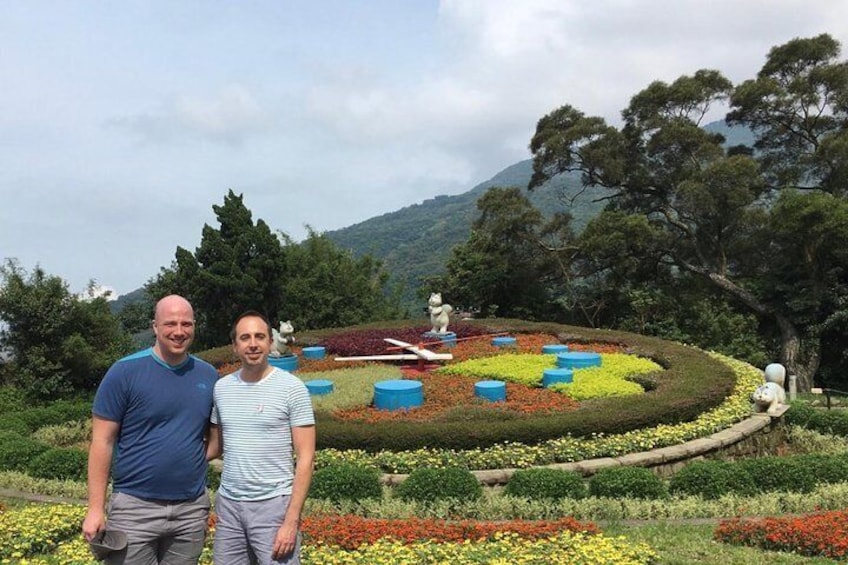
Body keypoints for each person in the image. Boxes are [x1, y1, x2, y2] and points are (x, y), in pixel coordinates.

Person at [82, 295, 219, 564]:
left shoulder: (208, 375)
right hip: (134, 508)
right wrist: (95, 509)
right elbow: (102, 441)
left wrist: (187, 460)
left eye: (186, 324)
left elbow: (217, 438)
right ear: (154, 326)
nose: (179, 332)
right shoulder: (124, 372)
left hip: (190, 510)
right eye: (170, 324)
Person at [206, 311, 316, 565]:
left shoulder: (292, 389)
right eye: (245, 338)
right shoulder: (221, 388)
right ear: (235, 347)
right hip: (230, 507)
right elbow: (215, 446)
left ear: (269, 342)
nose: (253, 344)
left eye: (259, 336)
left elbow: (306, 459)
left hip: (273, 507)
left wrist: (291, 521)